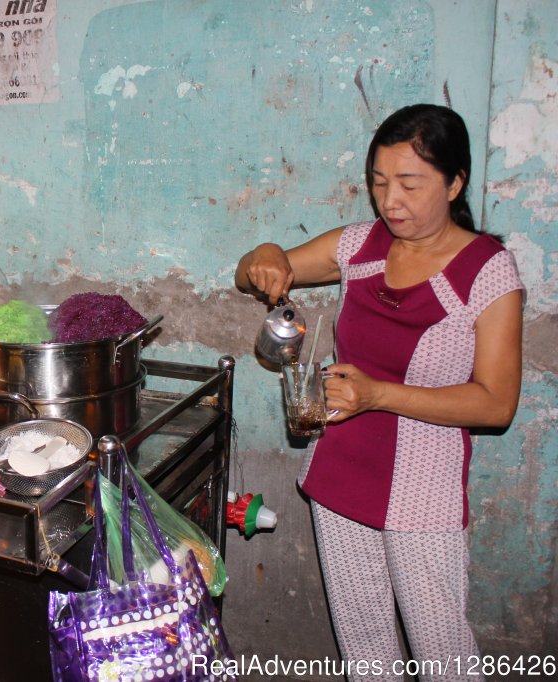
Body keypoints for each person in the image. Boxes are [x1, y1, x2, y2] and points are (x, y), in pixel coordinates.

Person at [235, 104, 524, 681]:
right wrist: (262, 256)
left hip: (424, 490)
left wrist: (379, 395)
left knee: (445, 656)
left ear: (455, 182)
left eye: (411, 184)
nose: (391, 201)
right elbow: (255, 274)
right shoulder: (360, 247)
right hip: (340, 475)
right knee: (366, 651)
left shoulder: (487, 270)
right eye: (379, 183)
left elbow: (496, 404)